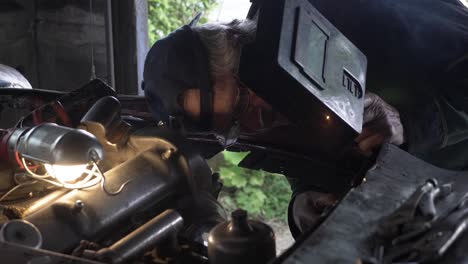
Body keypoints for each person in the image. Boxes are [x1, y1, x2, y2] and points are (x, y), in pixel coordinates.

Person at [143, 0, 468, 237]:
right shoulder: (262, 109)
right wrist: (303, 202)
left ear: (241, 41)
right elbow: (303, 150)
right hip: (436, 215)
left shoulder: (349, 12)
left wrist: (412, 121)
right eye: (234, 126)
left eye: (241, 99)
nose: (257, 123)